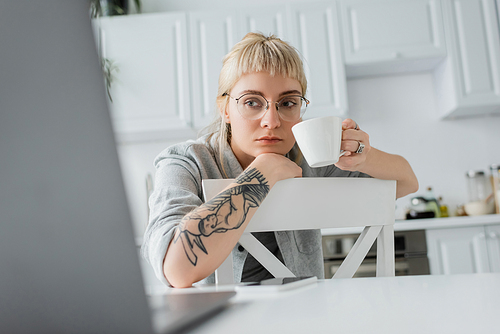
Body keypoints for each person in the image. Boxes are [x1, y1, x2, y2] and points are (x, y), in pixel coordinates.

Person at [142, 32, 418, 288]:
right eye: (252, 102)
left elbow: (407, 182)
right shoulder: (185, 162)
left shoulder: (311, 157)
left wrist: (363, 158)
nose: (271, 121)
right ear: (225, 108)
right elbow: (176, 269)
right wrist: (262, 172)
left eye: (287, 103)